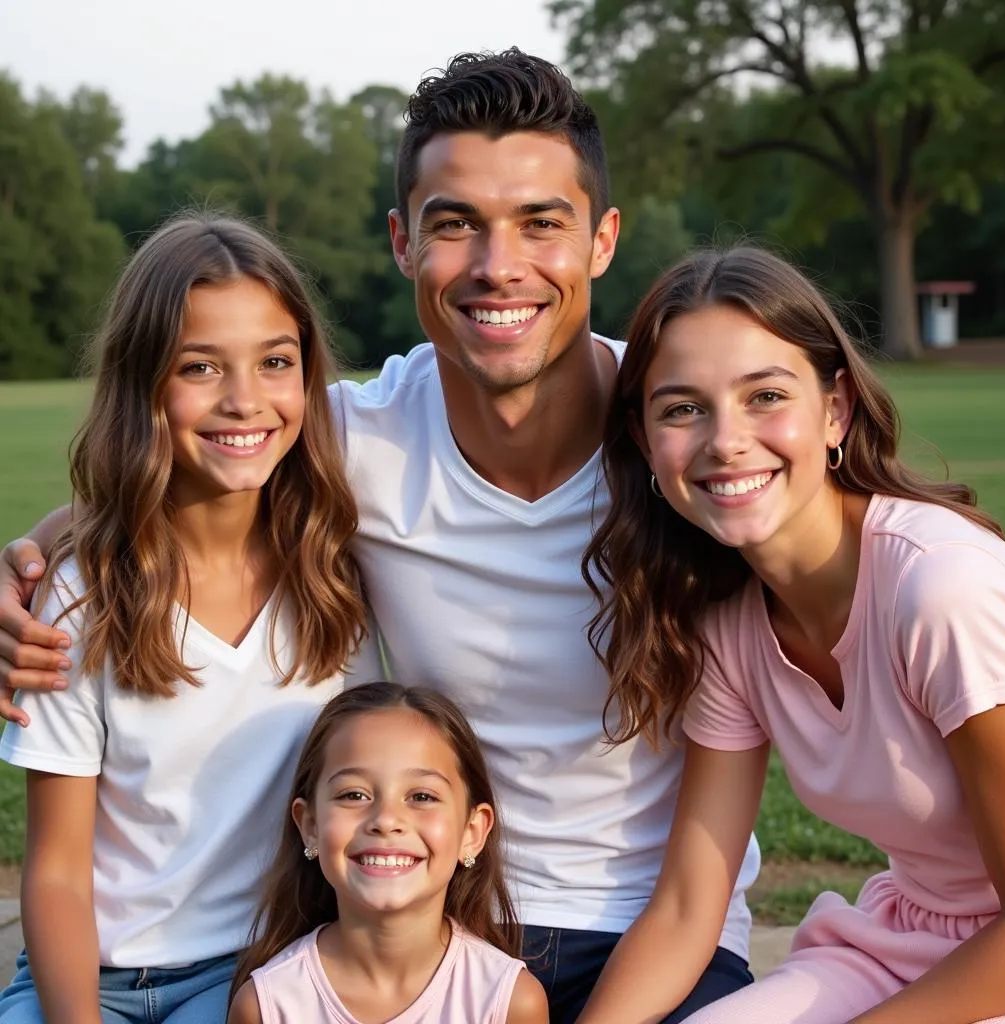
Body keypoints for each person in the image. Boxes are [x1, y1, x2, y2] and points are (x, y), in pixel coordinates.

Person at [0, 51, 760, 1022]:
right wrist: (42, 553)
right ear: (402, 241)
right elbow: (193, 461)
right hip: (436, 919)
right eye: (455, 225)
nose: (498, 266)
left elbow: (830, 529)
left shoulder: (679, 444)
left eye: (540, 223)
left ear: (602, 239)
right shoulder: (350, 439)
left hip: (661, 927)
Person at [574, 245, 1005, 1024]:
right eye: (682, 408)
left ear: (835, 411)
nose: (726, 441)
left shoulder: (941, 589)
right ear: (647, 444)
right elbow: (688, 906)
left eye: (765, 396)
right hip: (904, 940)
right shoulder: (729, 624)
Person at [0, 213, 379, 1023]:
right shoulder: (82, 595)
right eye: (200, 367)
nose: (245, 400)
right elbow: (58, 874)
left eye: (275, 362)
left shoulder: (342, 578)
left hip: (249, 973)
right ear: (144, 384)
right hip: (82, 971)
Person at [227, 681, 547, 1023]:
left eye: (422, 797)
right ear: (309, 826)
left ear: (472, 831)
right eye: (354, 795)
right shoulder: (266, 1004)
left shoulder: (509, 1000)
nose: (385, 820)